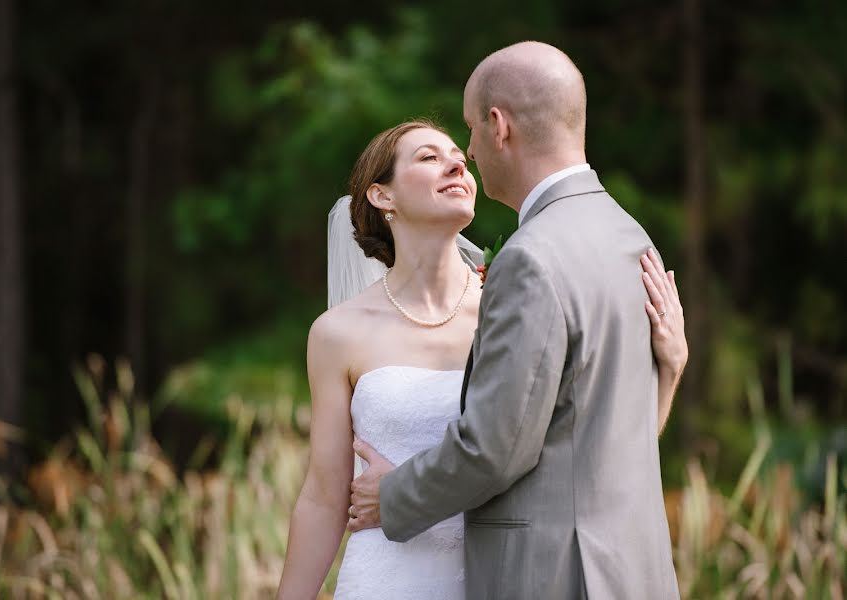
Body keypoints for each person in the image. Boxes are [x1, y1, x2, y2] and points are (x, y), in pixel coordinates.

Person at [276, 118, 686, 597]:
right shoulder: (337, 333)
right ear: (381, 196)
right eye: (429, 157)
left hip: (501, 577)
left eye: (458, 155)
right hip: (385, 579)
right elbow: (324, 497)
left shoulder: (515, 305)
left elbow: (600, 448)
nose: (456, 162)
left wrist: (671, 369)